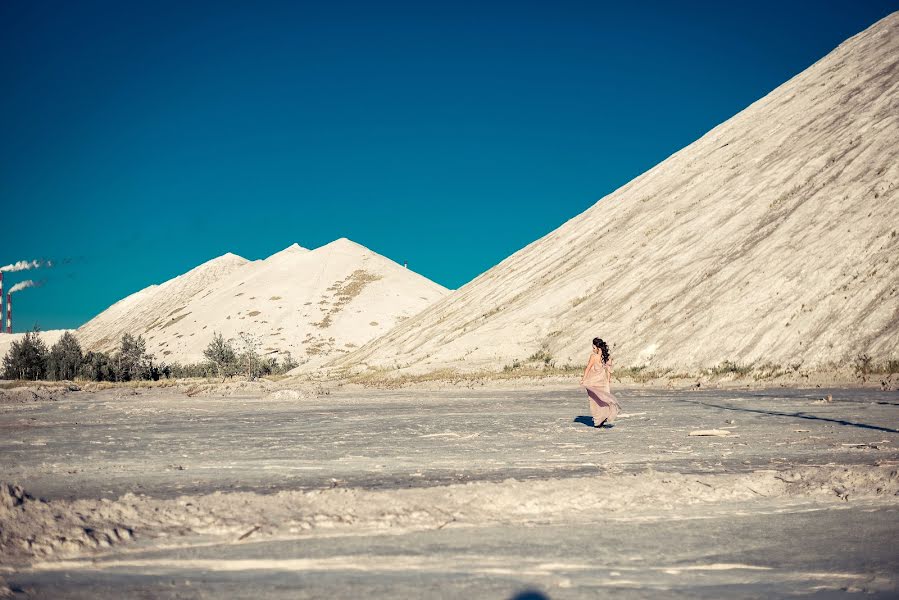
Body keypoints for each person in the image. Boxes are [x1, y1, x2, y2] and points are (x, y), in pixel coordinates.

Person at [580, 337, 620, 428]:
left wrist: (583, 379)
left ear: (598, 348)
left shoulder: (593, 356)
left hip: (593, 381)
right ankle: (603, 416)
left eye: (594, 348)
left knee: (594, 401)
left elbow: (588, 368)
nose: (593, 350)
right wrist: (608, 381)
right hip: (603, 382)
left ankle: (598, 420)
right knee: (604, 400)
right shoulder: (607, 357)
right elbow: (609, 371)